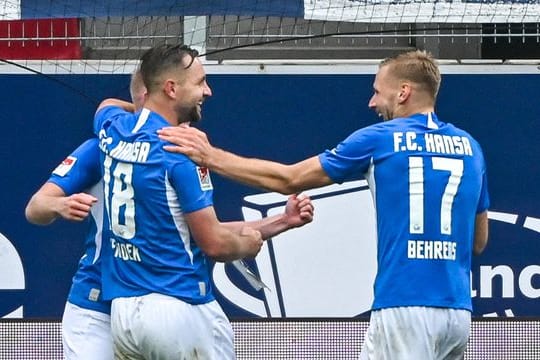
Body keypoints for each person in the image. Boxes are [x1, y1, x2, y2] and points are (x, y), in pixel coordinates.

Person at [157, 50, 490, 360]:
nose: (372, 101)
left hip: (405, 305)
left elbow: (289, 179)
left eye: (378, 91)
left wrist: (210, 157)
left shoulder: (380, 138)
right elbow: (478, 242)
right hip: (457, 313)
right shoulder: (471, 147)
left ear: (403, 93)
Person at [93, 43, 314, 359]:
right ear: (171, 88)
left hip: (124, 316)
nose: (207, 91)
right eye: (199, 82)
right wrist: (246, 246)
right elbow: (215, 244)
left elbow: (105, 105)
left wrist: (281, 221)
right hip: (177, 308)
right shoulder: (182, 152)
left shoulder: (111, 129)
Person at [25, 70, 147, 359]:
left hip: (155, 308)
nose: (207, 92)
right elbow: (35, 207)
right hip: (95, 307)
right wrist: (60, 205)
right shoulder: (100, 148)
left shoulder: (186, 150)